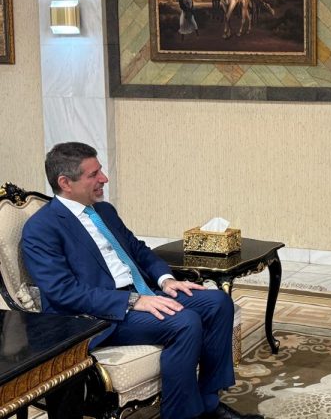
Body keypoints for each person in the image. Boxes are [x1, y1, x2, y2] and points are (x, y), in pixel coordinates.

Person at [21, 142, 262, 419]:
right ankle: (183, 415)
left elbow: (138, 250)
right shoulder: (41, 228)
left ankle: (209, 404)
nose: (104, 179)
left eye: (101, 170)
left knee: (218, 302)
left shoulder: (104, 211)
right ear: (65, 182)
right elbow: (63, 291)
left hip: (143, 292)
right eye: (94, 174)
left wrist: (166, 279)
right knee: (184, 322)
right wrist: (133, 301)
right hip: (99, 315)